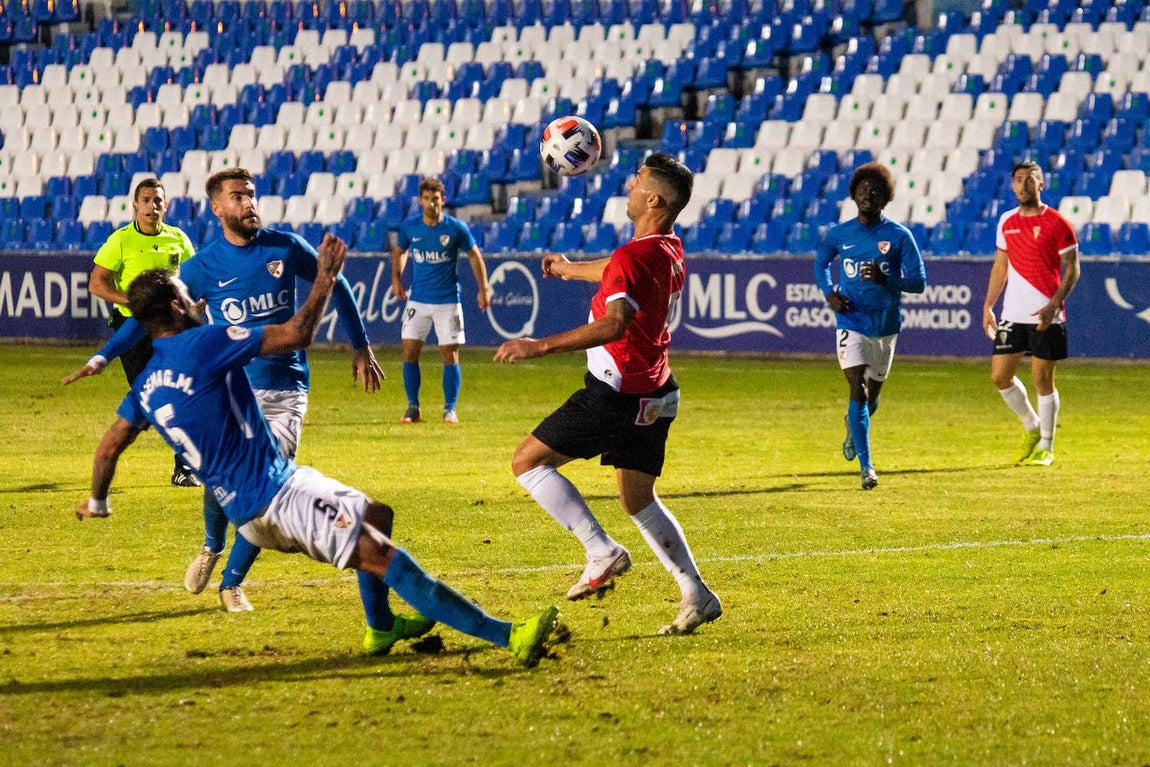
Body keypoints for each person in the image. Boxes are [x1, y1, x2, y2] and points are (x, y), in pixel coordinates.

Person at [72, 250, 559, 667]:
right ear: (178, 306)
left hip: (255, 505)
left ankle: (381, 626)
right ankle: (508, 635)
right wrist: (325, 276)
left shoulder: (146, 385)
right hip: (277, 499)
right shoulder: (204, 342)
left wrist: (97, 502)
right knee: (385, 557)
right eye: (190, 296)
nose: (199, 302)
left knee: (377, 514)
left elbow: (110, 445)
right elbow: (298, 333)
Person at [63, 168, 384, 615]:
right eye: (237, 197)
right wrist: (103, 357)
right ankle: (212, 546)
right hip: (234, 386)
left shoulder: (285, 246)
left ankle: (231, 584)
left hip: (286, 386)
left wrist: (361, 343)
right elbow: (146, 315)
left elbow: (337, 282)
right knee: (219, 480)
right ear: (217, 208)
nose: (248, 203)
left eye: (251, 195)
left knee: (266, 488)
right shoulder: (202, 266)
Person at [493, 153, 722, 636]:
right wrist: (572, 269)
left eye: (637, 180)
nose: (630, 184)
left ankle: (600, 550)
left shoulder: (634, 256)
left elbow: (616, 318)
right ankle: (696, 593)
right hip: (656, 394)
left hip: (614, 394)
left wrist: (539, 346)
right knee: (639, 501)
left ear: (653, 199)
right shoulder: (668, 248)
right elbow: (621, 271)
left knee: (527, 462)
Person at [814, 162, 927, 490]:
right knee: (858, 388)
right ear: (854, 195)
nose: (868, 196)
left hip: (886, 325)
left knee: (872, 395)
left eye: (875, 192)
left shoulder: (898, 236)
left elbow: (919, 282)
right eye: (863, 191)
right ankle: (867, 468)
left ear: (886, 198)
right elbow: (821, 263)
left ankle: (853, 426)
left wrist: (887, 279)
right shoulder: (839, 234)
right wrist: (829, 294)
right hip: (850, 321)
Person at [88, 177, 199, 487]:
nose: (153, 205)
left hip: (172, 328)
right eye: (146, 199)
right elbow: (97, 282)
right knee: (152, 396)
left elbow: (192, 279)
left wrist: (194, 303)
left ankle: (184, 467)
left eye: (158, 200)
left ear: (166, 204)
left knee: (178, 392)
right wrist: (132, 300)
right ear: (134, 205)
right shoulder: (120, 240)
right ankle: (113, 450)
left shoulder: (178, 239)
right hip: (133, 330)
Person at [982, 160, 1080, 467]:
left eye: (1030, 179)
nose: (1024, 184)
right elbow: (1001, 265)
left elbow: (1073, 267)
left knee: (1042, 379)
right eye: (1019, 179)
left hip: (1045, 316)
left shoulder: (1057, 222)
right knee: (1000, 376)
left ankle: (1047, 447)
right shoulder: (1006, 221)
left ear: (1041, 184)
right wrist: (988, 305)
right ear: (1012, 186)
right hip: (1013, 313)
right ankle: (1032, 426)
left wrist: (1055, 303)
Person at [391, 176, 493, 424]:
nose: (430, 204)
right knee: (409, 351)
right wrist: (396, 278)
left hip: (448, 301)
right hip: (418, 300)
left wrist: (484, 288)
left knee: (449, 354)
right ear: (420, 200)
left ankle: (450, 409)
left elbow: (474, 255)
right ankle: (413, 407)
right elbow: (400, 252)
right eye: (426, 199)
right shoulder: (409, 227)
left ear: (443, 200)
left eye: (435, 199)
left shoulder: (456, 228)